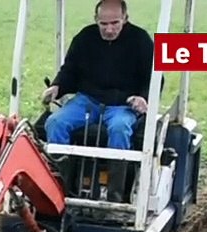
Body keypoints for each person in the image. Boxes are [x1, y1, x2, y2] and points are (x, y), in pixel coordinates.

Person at [41, 0, 155, 151]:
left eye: (115, 23)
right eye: (103, 24)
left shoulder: (140, 40)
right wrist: (57, 87)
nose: (109, 30)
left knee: (119, 128)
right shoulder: (85, 38)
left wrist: (143, 98)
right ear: (96, 19)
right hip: (87, 100)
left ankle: (117, 173)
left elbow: (152, 77)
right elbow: (70, 70)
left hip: (123, 104)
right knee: (55, 122)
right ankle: (59, 171)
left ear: (125, 19)